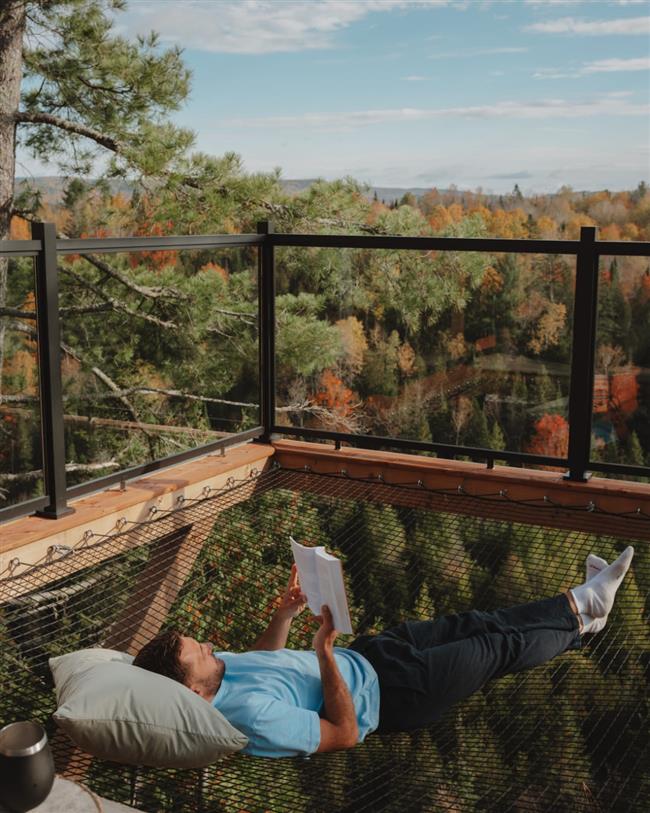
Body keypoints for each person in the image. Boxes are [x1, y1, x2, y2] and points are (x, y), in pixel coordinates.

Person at [133, 546, 634, 758]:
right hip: (397, 695)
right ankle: (584, 612)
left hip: (375, 655)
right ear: (192, 691)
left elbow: (267, 663)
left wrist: (284, 616)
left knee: (484, 623)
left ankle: (582, 611)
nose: (208, 644)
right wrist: (325, 653)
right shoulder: (245, 720)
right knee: (495, 647)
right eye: (196, 651)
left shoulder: (222, 674)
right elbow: (344, 735)